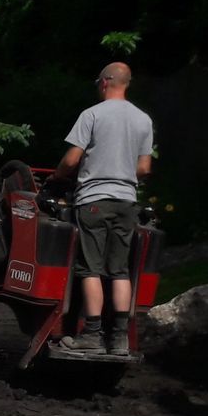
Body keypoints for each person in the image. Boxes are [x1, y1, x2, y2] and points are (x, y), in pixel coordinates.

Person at [53, 62, 154, 355]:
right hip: (126, 203)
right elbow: (145, 167)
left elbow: (72, 160)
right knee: (120, 270)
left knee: (90, 270)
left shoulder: (93, 115)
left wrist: (59, 176)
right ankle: (119, 339)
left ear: (106, 82)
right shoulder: (143, 120)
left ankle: (93, 336)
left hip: (94, 201)